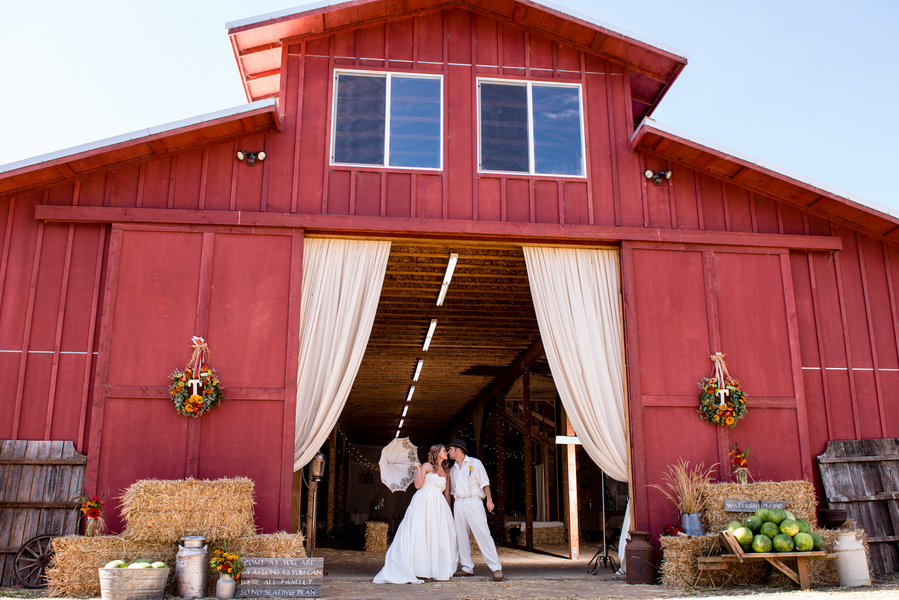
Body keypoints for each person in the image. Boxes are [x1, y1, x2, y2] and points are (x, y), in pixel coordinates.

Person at [373, 444, 459, 584]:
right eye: (444, 450)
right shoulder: (425, 466)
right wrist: (418, 470)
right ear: (437, 453)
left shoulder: (447, 471)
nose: (447, 453)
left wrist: (449, 511)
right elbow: (418, 485)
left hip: (439, 505)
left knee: (438, 534)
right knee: (420, 532)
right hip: (423, 501)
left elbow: (447, 493)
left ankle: (435, 569)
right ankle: (419, 568)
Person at [446, 438, 503, 581]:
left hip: (474, 500)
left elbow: (485, 483)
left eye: (450, 449)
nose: (448, 452)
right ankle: (467, 567)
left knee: (483, 533)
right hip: (459, 502)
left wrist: (489, 500)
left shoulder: (475, 463)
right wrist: (455, 508)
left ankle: (496, 567)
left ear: (458, 450)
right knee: (461, 536)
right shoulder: (452, 470)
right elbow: (453, 492)